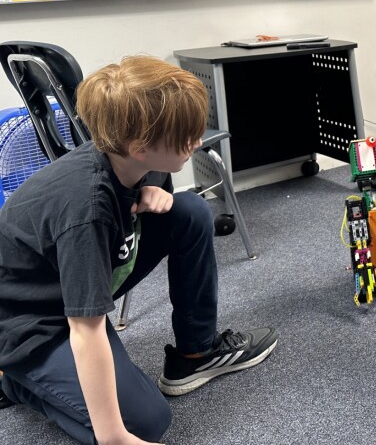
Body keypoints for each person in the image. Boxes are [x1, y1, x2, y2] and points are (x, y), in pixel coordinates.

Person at [0, 56, 278, 444]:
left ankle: (194, 355)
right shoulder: (86, 209)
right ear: (140, 147)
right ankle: (17, 379)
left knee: (190, 210)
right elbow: (86, 329)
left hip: (69, 280)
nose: (197, 142)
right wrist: (113, 436)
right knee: (143, 423)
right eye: (187, 137)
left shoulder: (138, 162)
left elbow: (154, 198)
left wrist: (146, 191)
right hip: (28, 320)